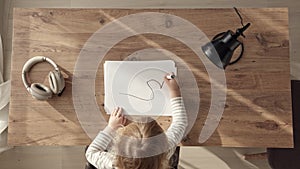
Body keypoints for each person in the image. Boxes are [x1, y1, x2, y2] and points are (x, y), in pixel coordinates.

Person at [85, 74, 187, 169]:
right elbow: (180, 123)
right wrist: (175, 91)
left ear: (117, 148)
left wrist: (111, 128)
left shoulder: (114, 163)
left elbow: (91, 153)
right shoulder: (165, 149)